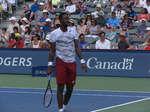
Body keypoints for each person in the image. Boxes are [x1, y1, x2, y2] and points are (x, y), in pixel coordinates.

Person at [47, 12, 87, 112]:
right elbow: (52, 51)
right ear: (60, 20)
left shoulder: (73, 31)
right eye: (65, 18)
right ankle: (60, 110)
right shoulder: (54, 33)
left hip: (72, 62)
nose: (67, 20)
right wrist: (49, 66)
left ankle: (64, 107)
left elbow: (77, 47)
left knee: (70, 88)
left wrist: (82, 61)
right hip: (61, 61)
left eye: (67, 18)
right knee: (60, 86)